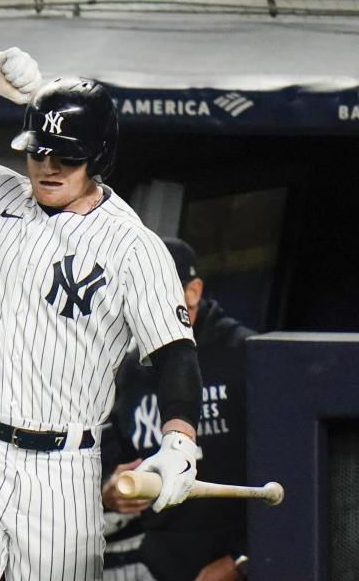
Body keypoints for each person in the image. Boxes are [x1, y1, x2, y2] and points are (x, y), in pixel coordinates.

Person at [0, 55, 204, 580]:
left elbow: (175, 355)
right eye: (39, 152)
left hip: (62, 468)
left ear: (98, 157)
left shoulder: (133, 246)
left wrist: (179, 441)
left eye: (66, 157)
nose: (48, 166)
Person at [101, 237, 256, 581]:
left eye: (158, 291)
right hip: (155, 562)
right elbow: (112, 455)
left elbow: (289, 467)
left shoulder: (246, 355)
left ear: (194, 292)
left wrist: (241, 560)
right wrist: (109, 490)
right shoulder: (129, 368)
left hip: (232, 560)